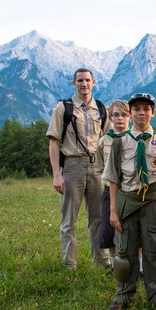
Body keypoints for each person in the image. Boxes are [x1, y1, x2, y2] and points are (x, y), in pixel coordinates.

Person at [103, 92, 156, 310]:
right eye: (137, 109)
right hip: (126, 202)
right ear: (131, 113)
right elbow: (113, 178)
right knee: (125, 250)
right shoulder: (119, 143)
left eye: (146, 109)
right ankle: (123, 296)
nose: (141, 113)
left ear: (153, 113)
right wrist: (113, 210)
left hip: (153, 203)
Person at [46, 68, 111, 270]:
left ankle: (102, 262)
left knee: (98, 219)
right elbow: (54, 142)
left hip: (97, 167)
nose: (84, 84)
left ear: (94, 82)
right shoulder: (62, 108)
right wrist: (57, 174)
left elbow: (109, 140)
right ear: (74, 83)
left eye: (88, 80)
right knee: (69, 220)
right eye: (80, 80)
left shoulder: (101, 108)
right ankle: (69, 265)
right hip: (72, 166)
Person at [95, 100, 130, 274]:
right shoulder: (104, 141)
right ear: (110, 117)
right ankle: (115, 266)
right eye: (116, 115)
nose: (120, 119)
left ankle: (137, 267)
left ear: (129, 117)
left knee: (132, 229)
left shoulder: (135, 138)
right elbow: (100, 166)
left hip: (130, 190)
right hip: (110, 191)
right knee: (109, 230)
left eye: (124, 115)